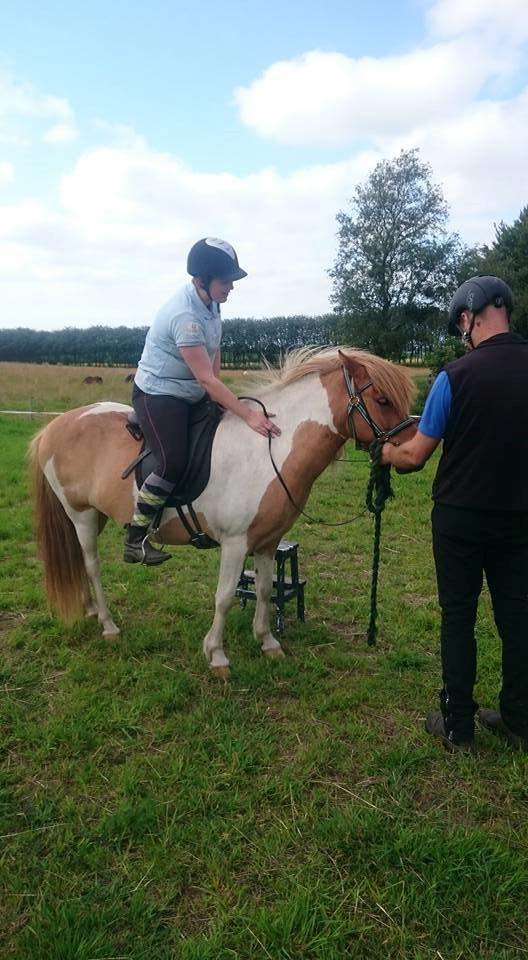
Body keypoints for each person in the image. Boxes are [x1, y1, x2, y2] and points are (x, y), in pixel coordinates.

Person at [381, 276, 528, 754]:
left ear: (468, 318)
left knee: (459, 616)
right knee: (518, 617)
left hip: (459, 517)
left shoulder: (454, 376)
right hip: (520, 517)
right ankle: (519, 721)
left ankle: (458, 725)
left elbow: (416, 456)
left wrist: (387, 453)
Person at [125, 237, 281, 565]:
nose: (231, 288)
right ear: (201, 281)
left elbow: (214, 351)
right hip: (159, 392)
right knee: (173, 461)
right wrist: (249, 415)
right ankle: (136, 538)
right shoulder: (185, 316)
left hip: (192, 390)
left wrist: (219, 397)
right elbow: (206, 379)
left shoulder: (212, 304)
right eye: (225, 282)